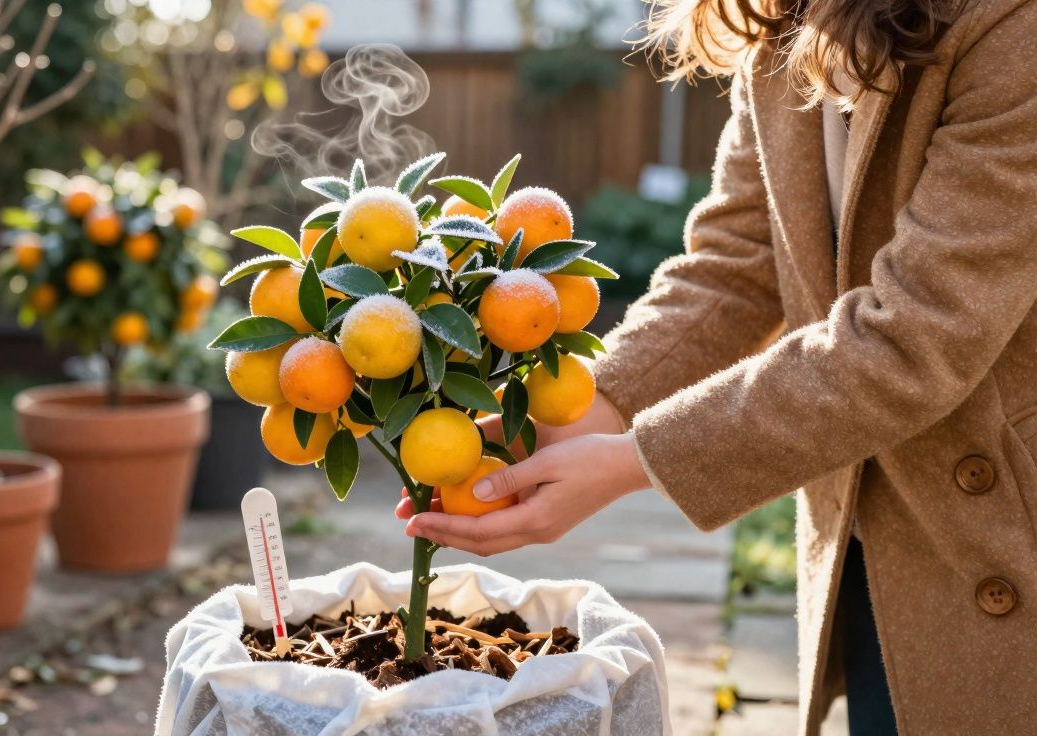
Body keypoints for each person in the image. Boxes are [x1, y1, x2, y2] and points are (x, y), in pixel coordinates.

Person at [397, 0, 1037, 732]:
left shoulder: (1014, 29)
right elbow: (738, 266)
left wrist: (639, 460)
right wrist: (578, 417)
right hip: (883, 538)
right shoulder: (787, 18)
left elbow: (914, 339)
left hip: (1005, 531)